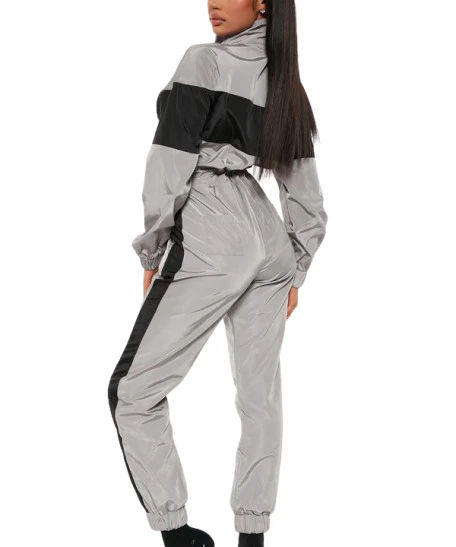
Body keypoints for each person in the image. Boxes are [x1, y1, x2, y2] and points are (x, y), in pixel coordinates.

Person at [107, 1, 328, 546]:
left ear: (263, 2)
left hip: (211, 230)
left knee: (132, 393)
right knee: (260, 398)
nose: (213, 2)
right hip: (269, 241)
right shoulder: (288, 85)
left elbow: (170, 160)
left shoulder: (203, 61)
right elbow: (306, 196)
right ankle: (252, 535)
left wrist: (154, 249)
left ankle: (178, 534)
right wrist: (296, 268)